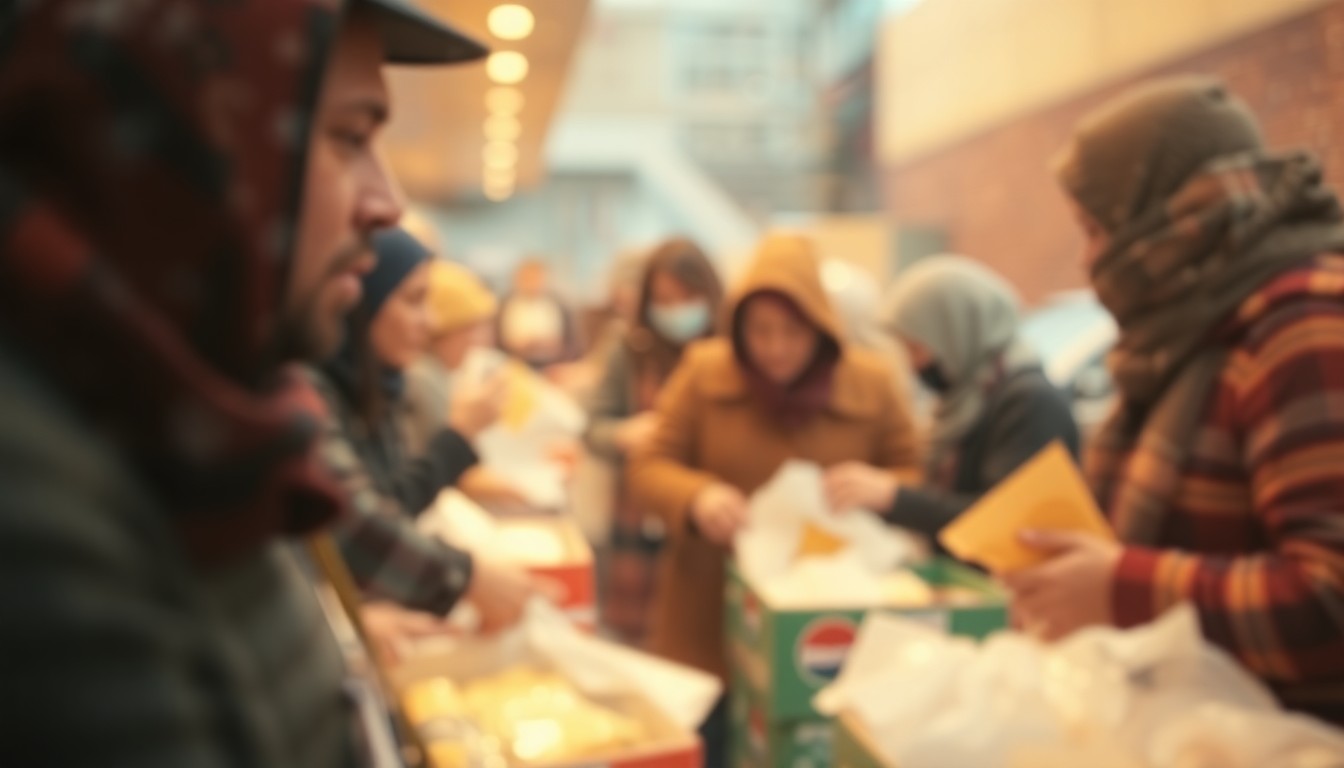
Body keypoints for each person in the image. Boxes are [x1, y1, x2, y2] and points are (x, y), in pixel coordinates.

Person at [0, 0, 488, 765]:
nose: (387, 205)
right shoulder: (39, 522)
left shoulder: (216, 432)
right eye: (347, 138)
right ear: (183, 129)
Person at [1001, 77, 1344, 725]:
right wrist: (1068, 583)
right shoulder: (1189, 330)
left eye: (1097, 229)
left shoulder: (1305, 327)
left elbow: (1330, 596)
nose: (1086, 259)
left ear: (1178, 218)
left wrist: (1121, 589)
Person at [629, 232, 921, 767]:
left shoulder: (873, 384)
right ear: (738, 326)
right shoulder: (702, 373)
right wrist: (697, 496)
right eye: (760, 331)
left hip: (828, 630)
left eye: (792, 331)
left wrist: (885, 490)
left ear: (822, 328)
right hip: (707, 624)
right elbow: (649, 466)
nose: (776, 348)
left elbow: (916, 473)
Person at [310, 227, 535, 632]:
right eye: (414, 301)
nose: (428, 322)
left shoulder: (380, 389)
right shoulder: (317, 393)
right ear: (362, 301)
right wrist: (460, 436)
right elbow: (364, 520)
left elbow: (388, 504)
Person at [824, 255, 1079, 541]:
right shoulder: (964, 400)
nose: (912, 365)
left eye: (917, 349)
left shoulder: (1028, 402)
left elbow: (1002, 520)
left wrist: (895, 497)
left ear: (954, 334)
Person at [584, 237, 724, 644]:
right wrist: (625, 433)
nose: (677, 311)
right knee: (637, 636)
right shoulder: (630, 349)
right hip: (638, 521)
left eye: (687, 298)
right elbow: (592, 426)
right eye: (665, 300)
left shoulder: (727, 353)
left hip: (706, 517)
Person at [403, 259, 499, 455]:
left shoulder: (438, 374)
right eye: (470, 328)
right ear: (443, 331)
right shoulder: (421, 378)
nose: (478, 341)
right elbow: (453, 468)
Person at [497, 258, 579, 369]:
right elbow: (498, 341)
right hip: (513, 363)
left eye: (536, 278)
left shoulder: (560, 305)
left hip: (553, 364)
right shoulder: (504, 305)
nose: (532, 283)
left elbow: (571, 342)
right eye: (528, 278)